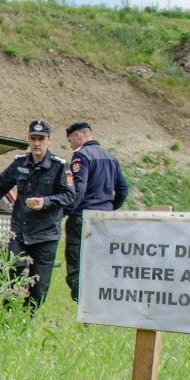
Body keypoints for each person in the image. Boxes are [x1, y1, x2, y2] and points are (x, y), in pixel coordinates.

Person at [0, 120, 75, 312]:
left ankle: (26, 318)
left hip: (46, 235)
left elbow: (69, 195)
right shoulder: (20, 163)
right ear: (29, 139)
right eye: (33, 138)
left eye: (41, 139)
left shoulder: (59, 166)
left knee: (39, 287)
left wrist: (45, 202)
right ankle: (8, 316)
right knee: (9, 277)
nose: (37, 143)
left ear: (49, 140)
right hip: (19, 233)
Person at [63, 122, 131, 302]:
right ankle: (98, 302)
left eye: (70, 140)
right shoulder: (111, 158)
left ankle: (83, 303)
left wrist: (68, 210)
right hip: (104, 220)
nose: (70, 145)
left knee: (76, 264)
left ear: (78, 136)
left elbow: (80, 188)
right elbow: (123, 189)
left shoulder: (81, 156)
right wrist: (109, 208)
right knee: (99, 263)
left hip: (82, 218)